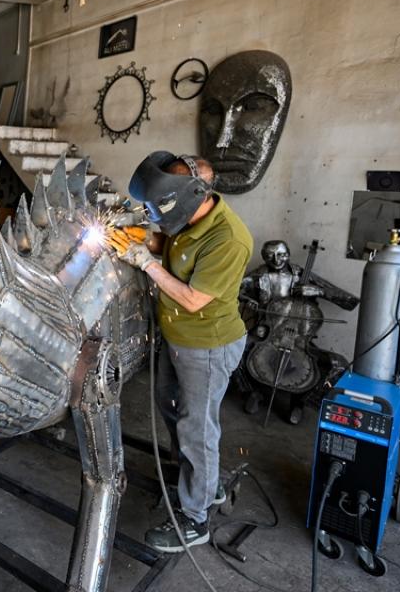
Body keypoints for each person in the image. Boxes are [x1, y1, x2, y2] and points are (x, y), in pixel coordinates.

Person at [106, 152, 253, 553]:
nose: (155, 214)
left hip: (207, 346)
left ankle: (195, 517)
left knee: (196, 428)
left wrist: (145, 263)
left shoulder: (228, 239)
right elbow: (167, 242)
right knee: (170, 406)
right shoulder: (187, 218)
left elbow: (192, 299)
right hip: (177, 340)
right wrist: (139, 237)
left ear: (193, 195)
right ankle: (203, 481)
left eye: (159, 208)